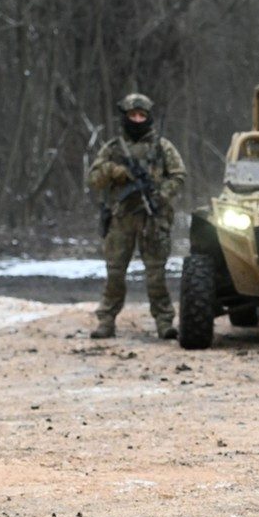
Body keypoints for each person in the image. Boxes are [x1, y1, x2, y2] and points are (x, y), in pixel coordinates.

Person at [87, 93, 187, 340]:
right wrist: (116, 171)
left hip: (153, 219)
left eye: (142, 115)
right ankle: (107, 320)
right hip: (121, 218)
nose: (137, 120)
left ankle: (164, 322)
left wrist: (161, 195)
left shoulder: (162, 147)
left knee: (156, 275)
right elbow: (94, 178)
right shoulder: (112, 149)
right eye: (133, 115)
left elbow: (178, 176)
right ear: (125, 117)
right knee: (115, 273)